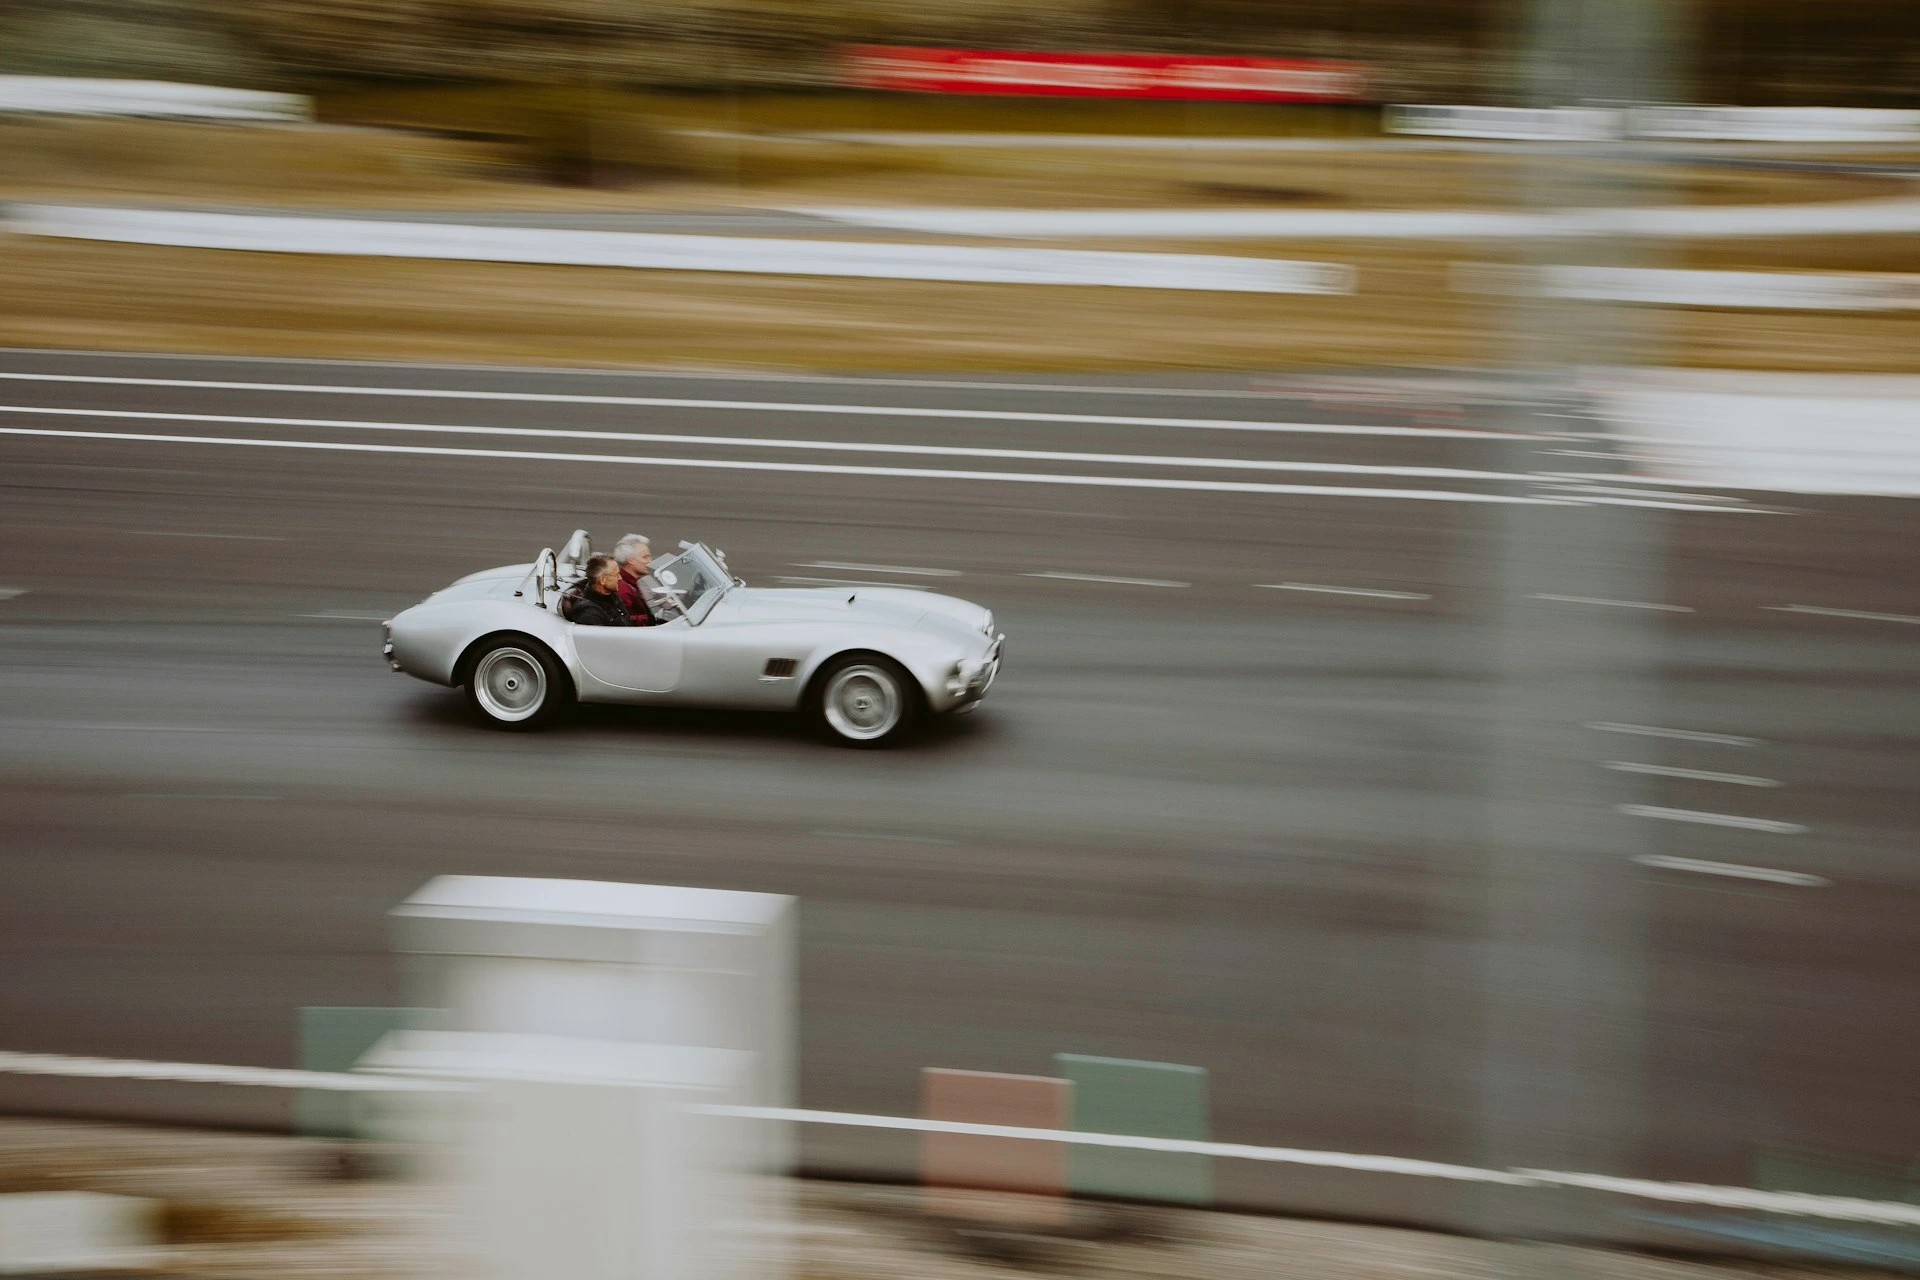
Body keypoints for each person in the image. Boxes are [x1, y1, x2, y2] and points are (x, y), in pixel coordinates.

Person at [561, 554, 632, 627]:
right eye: (616, 575)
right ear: (602, 580)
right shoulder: (589, 614)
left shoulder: (611, 596)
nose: (620, 578)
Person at [612, 532, 660, 626]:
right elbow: (626, 620)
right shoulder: (622, 589)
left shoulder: (635, 582)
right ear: (630, 560)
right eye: (645, 557)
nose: (649, 561)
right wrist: (654, 617)